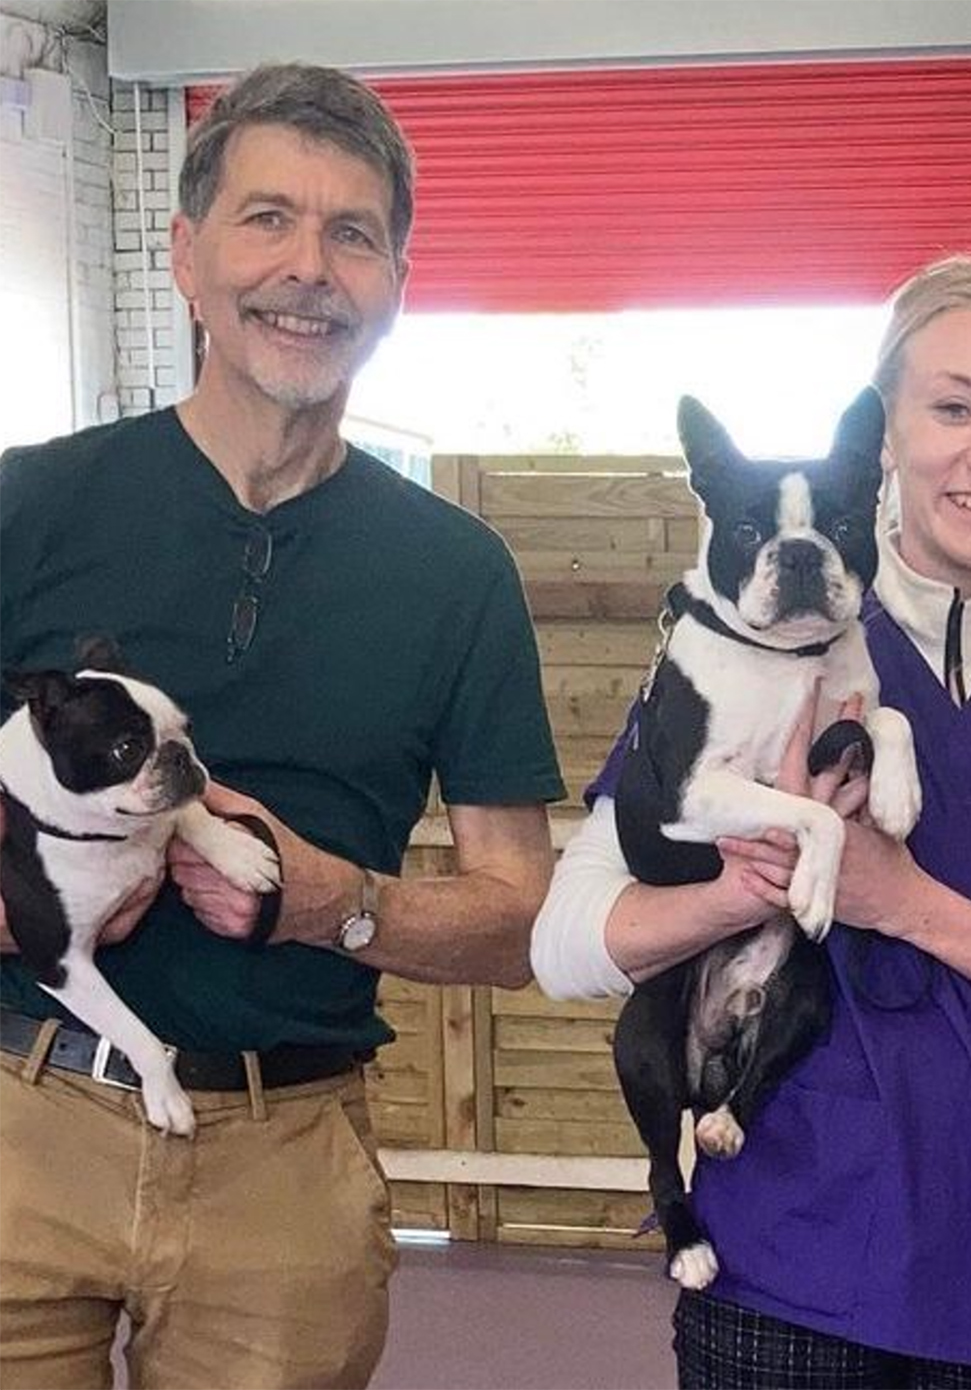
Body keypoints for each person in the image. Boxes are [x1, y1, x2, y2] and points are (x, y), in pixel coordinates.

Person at [531, 254, 971, 1387]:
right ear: (886, 441)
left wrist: (904, 903)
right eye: (952, 407)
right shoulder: (746, 653)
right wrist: (746, 884)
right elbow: (567, 943)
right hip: (794, 1256)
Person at [0, 64, 563, 1389]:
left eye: (352, 233)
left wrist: (333, 902)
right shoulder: (29, 506)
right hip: (18, 1119)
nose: (308, 268)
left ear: (395, 286)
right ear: (187, 256)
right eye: (268, 219)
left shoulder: (456, 574)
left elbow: (522, 920)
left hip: (285, 1160)